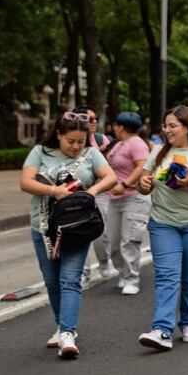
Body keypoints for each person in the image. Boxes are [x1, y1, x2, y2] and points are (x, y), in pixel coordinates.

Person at [20, 112, 116, 358]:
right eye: (70, 141)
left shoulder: (91, 154)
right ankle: (61, 326)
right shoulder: (40, 152)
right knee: (52, 281)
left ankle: (67, 333)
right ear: (58, 135)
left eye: (80, 141)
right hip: (43, 227)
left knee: (70, 279)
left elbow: (111, 177)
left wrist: (91, 192)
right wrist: (54, 191)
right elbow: (26, 182)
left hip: (77, 227)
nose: (75, 146)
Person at [128, 106, 188, 350]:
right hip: (163, 223)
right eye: (165, 126)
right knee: (167, 276)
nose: (167, 130)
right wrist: (143, 184)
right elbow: (144, 185)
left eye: (172, 126)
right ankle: (162, 330)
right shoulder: (159, 151)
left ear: (187, 127)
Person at [104, 112, 152, 295]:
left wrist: (124, 184)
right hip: (115, 199)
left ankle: (132, 279)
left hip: (134, 198)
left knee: (130, 241)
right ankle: (123, 273)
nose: (113, 128)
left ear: (121, 127)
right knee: (113, 242)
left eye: (115, 125)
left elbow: (142, 167)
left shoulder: (137, 143)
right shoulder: (119, 144)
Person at [75, 106, 113, 281]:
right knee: (79, 233)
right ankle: (84, 271)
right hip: (77, 193)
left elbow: (111, 169)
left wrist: (104, 154)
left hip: (100, 192)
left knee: (101, 232)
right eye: (89, 119)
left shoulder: (100, 139)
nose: (94, 122)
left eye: (95, 118)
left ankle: (104, 260)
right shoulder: (72, 141)